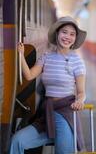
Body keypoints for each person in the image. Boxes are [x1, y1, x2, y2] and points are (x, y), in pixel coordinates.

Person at [9, 16, 87, 154]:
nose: (67, 36)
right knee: (17, 140)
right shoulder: (46, 57)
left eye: (72, 34)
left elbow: (81, 92)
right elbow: (29, 75)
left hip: (65, 113)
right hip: (47, 114)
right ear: (57, 33)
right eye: (64, 32)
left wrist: (80, 101)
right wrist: (20, 55)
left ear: (75, 38)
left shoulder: (77, 61)